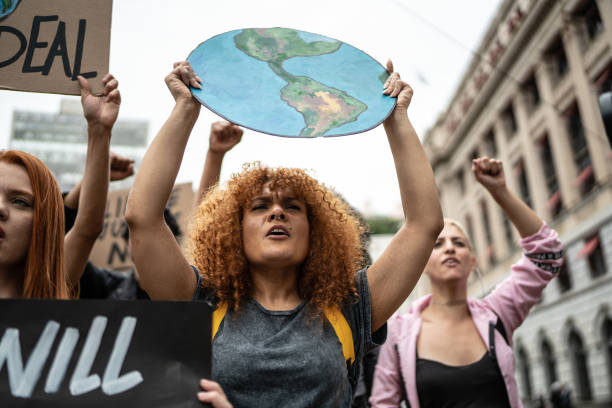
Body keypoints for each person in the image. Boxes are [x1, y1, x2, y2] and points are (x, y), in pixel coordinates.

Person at [125, 60, 443, 407]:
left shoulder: (350, 309)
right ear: (234, 230)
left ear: (316, 231)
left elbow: (424, 225)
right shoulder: (200, 303)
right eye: (259, 207)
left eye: (292, 207)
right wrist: (186, 108)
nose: (277, 212)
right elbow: (143, 218)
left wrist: (396, 118)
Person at [370, 157, 565, 408]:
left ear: (471, 261)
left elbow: (546, 255)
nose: (450, 248)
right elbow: (383, 404)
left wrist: (500, 191)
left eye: (459, 243)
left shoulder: (498, 313)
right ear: (422, 262)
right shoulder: (398, 332)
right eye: (438, 244)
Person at [0, 73, 121, 299]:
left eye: (20, 202)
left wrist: (99, 130)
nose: (1, 208)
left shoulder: (48, 289)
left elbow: (86, 229)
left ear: (43, 224)